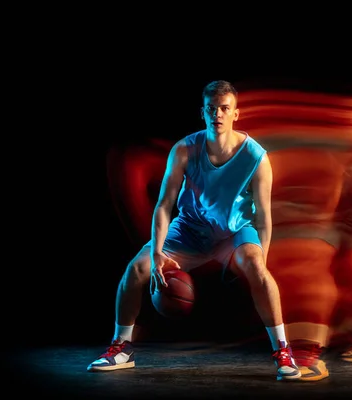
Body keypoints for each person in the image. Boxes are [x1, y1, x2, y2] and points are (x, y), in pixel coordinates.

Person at [88, 80, 301, 381]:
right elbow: (164, 205)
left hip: (234, 232)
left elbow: (264, 218)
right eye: (211, 109)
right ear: (202, 112)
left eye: (225, 109)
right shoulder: (185, 149)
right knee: (136, 270)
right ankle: (120, 348)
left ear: (235, 114)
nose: (218, 114)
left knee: (258, 269)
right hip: (191, 229)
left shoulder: (256, 158)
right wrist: (159, 251)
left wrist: (260, 262)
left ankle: (283, 351)